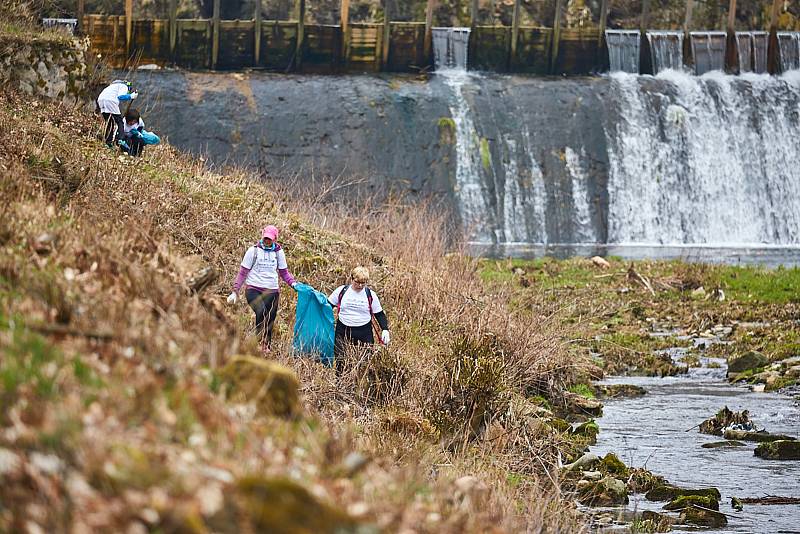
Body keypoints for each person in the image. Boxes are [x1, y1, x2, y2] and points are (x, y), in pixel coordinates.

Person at [227, 225, 297, 352]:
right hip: (253, 288)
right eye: (265, 238)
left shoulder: (278, 253)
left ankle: (266, 346)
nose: (267, 241)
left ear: (275, 239)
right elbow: (243, 272)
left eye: (270, 239)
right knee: (261, 312)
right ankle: (256, 343)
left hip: (272, 290)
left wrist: (293, 284)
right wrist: (235, 291)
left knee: (270, 318)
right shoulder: (253, 251)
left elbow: (284, 273)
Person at [328, 266, 390, 373]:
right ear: (351, 279)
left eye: (363, 283)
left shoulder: (370, 295)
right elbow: (328, 306)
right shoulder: (341, 291)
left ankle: (359, 386)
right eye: (357, 282)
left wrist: (385, 329)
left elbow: (379, 314)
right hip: (343, 331)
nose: (360, 285)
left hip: (364, 333)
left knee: (363, 364)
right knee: (340, 362)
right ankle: (340, 384)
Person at [96, 79, 138, 148]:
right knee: (120, 122)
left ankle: (108, 142)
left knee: (110, 123)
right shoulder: (124, 86)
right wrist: (131, 96)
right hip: (110, 101)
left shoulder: (112, 86)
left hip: (100, 100)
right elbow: (121, 96)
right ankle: (120, 139)